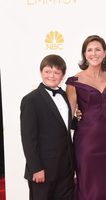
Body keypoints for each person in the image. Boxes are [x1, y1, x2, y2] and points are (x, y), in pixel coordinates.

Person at [65, 35, 106, 200]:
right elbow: (67, 116)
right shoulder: (74, 81)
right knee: (88, 185)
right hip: (86, 142)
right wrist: (77, 116)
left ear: (105, 53)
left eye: (98, 49)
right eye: (89, 50)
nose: (94, 53)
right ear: (84, 54)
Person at [20, 54, 75, 200]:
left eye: (57, 72)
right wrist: (36, 168)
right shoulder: (31, 100)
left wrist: (77, 119)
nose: (52, 75)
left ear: (63, 76)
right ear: (41, 72)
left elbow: (63, 125)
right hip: (43, 171)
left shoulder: (64, 95)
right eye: (48, 71)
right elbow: (28, 138)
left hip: (66, 168)